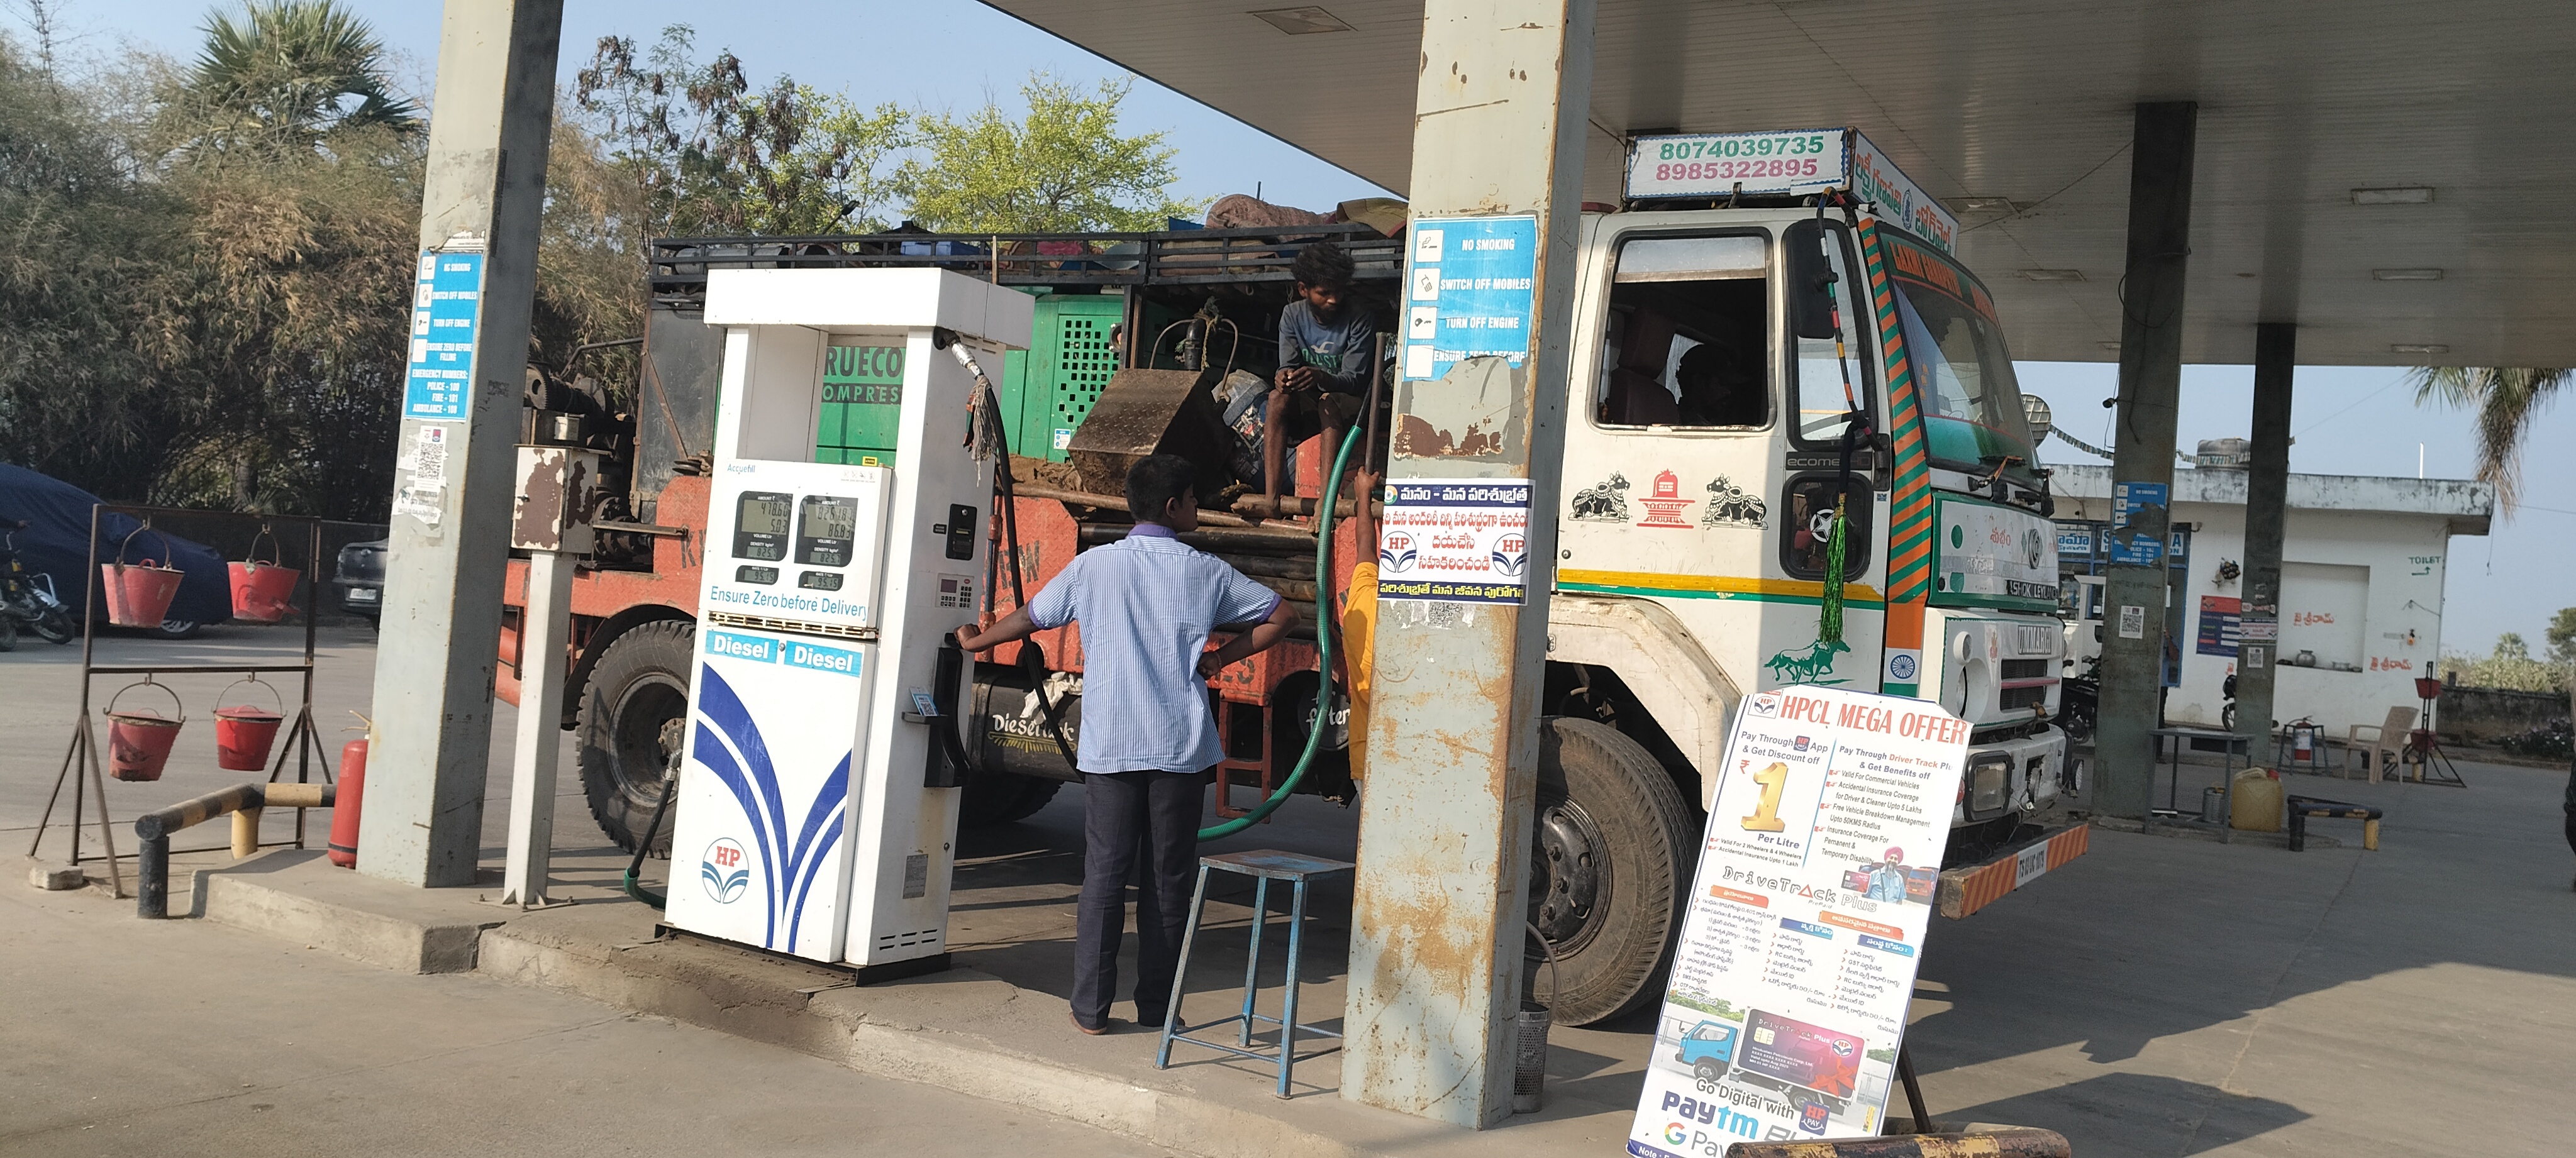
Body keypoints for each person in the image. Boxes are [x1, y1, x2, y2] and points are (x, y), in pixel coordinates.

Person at [953, 455, 1300, 1035]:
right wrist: (1219, 659)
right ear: (1173, 507)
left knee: (1105, 877)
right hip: (1180, 749)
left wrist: (976, 640)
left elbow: (1032, 619)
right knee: (1168, 882)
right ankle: (1158, 1010)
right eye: (1193, 499)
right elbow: (1280, 615)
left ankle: (1090, 1009)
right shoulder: (1205, 571)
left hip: (1112, 747)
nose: (1197, 508)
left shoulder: (1094, 567)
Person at [1262, 242, 1377, 513]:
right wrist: (1283, 377)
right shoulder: (1291, 315)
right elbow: (1286, 366)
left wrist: (1320, 376)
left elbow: (1355, 380)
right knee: (1276, 398)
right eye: (1324, 293)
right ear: (1304, 289)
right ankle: (1271, 500)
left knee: (1328, 401)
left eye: (1338, 292)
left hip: (1349, 401)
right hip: (1310, 401)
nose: (1333, 300)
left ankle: (1324, 506)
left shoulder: (1359, 317)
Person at [1337, 469, 1384, 780]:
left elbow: (1366, 544)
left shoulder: (1362, 599)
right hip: (1402, 758)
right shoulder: (1414, 622)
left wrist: (1364, 494)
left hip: (1364, 758)